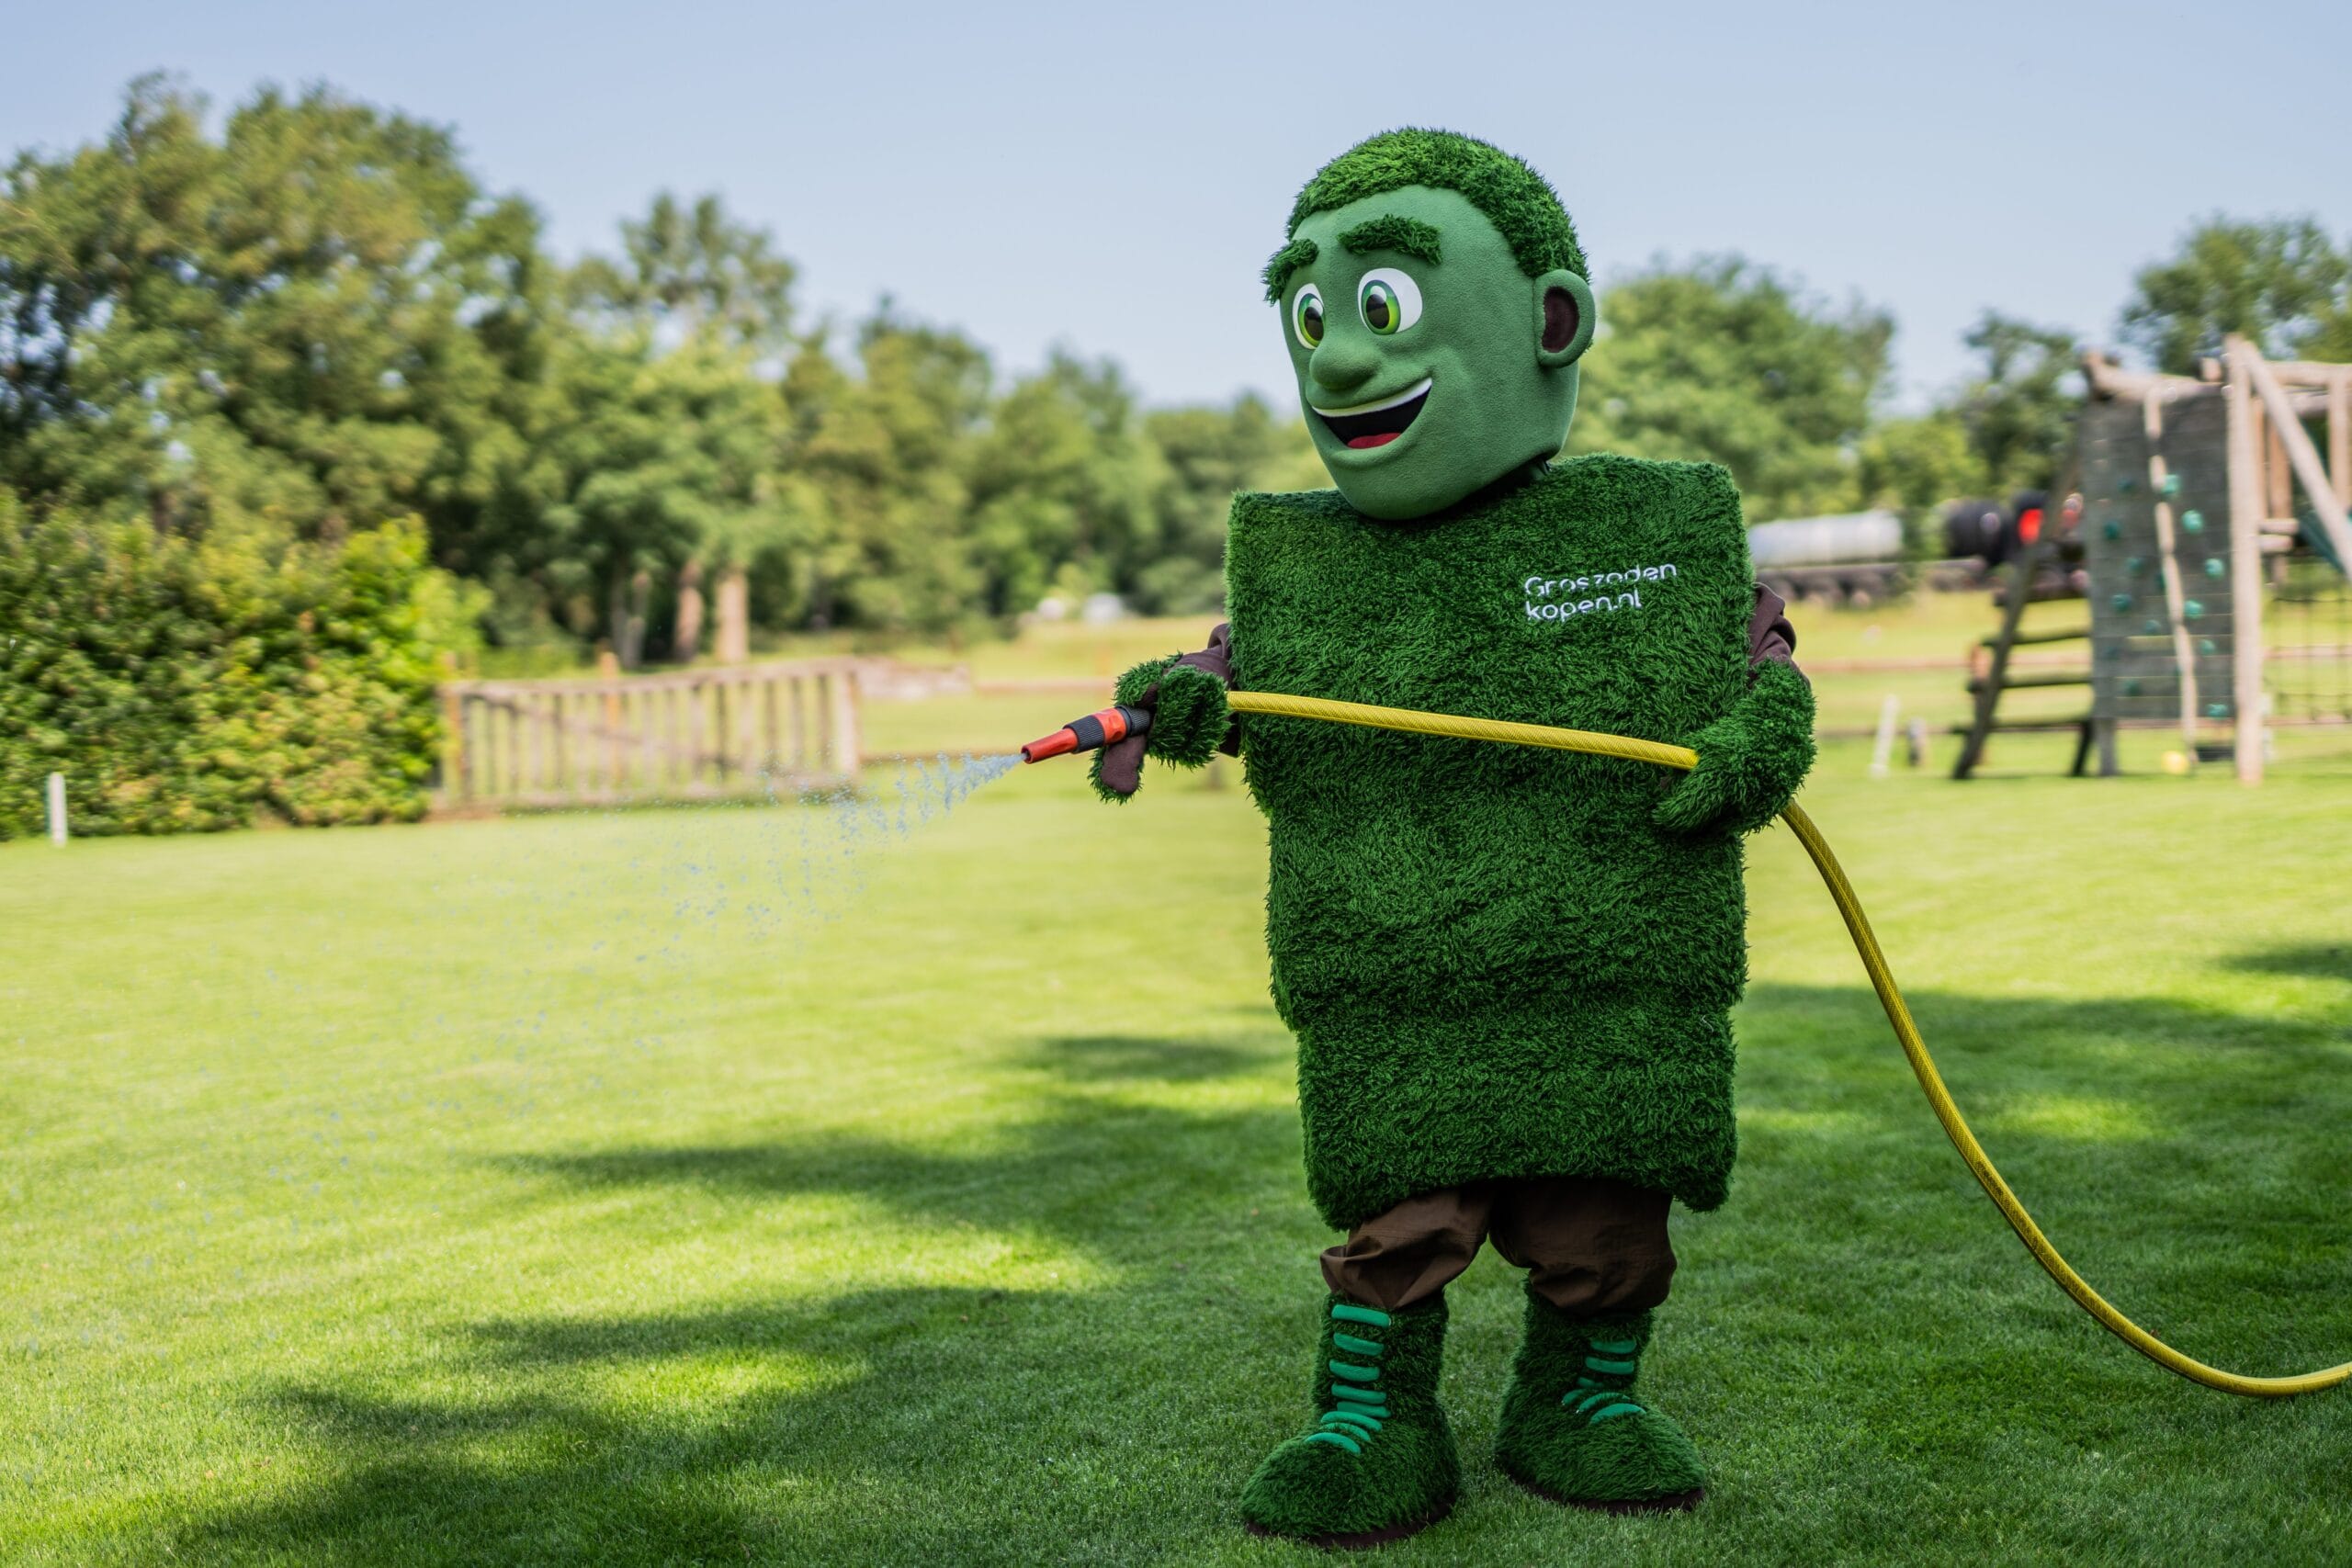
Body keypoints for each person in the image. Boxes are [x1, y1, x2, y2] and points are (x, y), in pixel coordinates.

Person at [1096, 129, 1814, 1548]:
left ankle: (1580, 1403)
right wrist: (1177, 701)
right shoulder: (1308, 570)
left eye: (1382, 304)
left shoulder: (1650, 530)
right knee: (1400, 1215)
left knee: (1609, 1216)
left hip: (1612, 979)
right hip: (1397, 980)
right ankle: (1372, 1420)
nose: (1342, 362)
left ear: (1551, 320)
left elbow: (1757, 654)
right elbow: (1228, 676)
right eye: (1313, 317)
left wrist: (1762, 731)